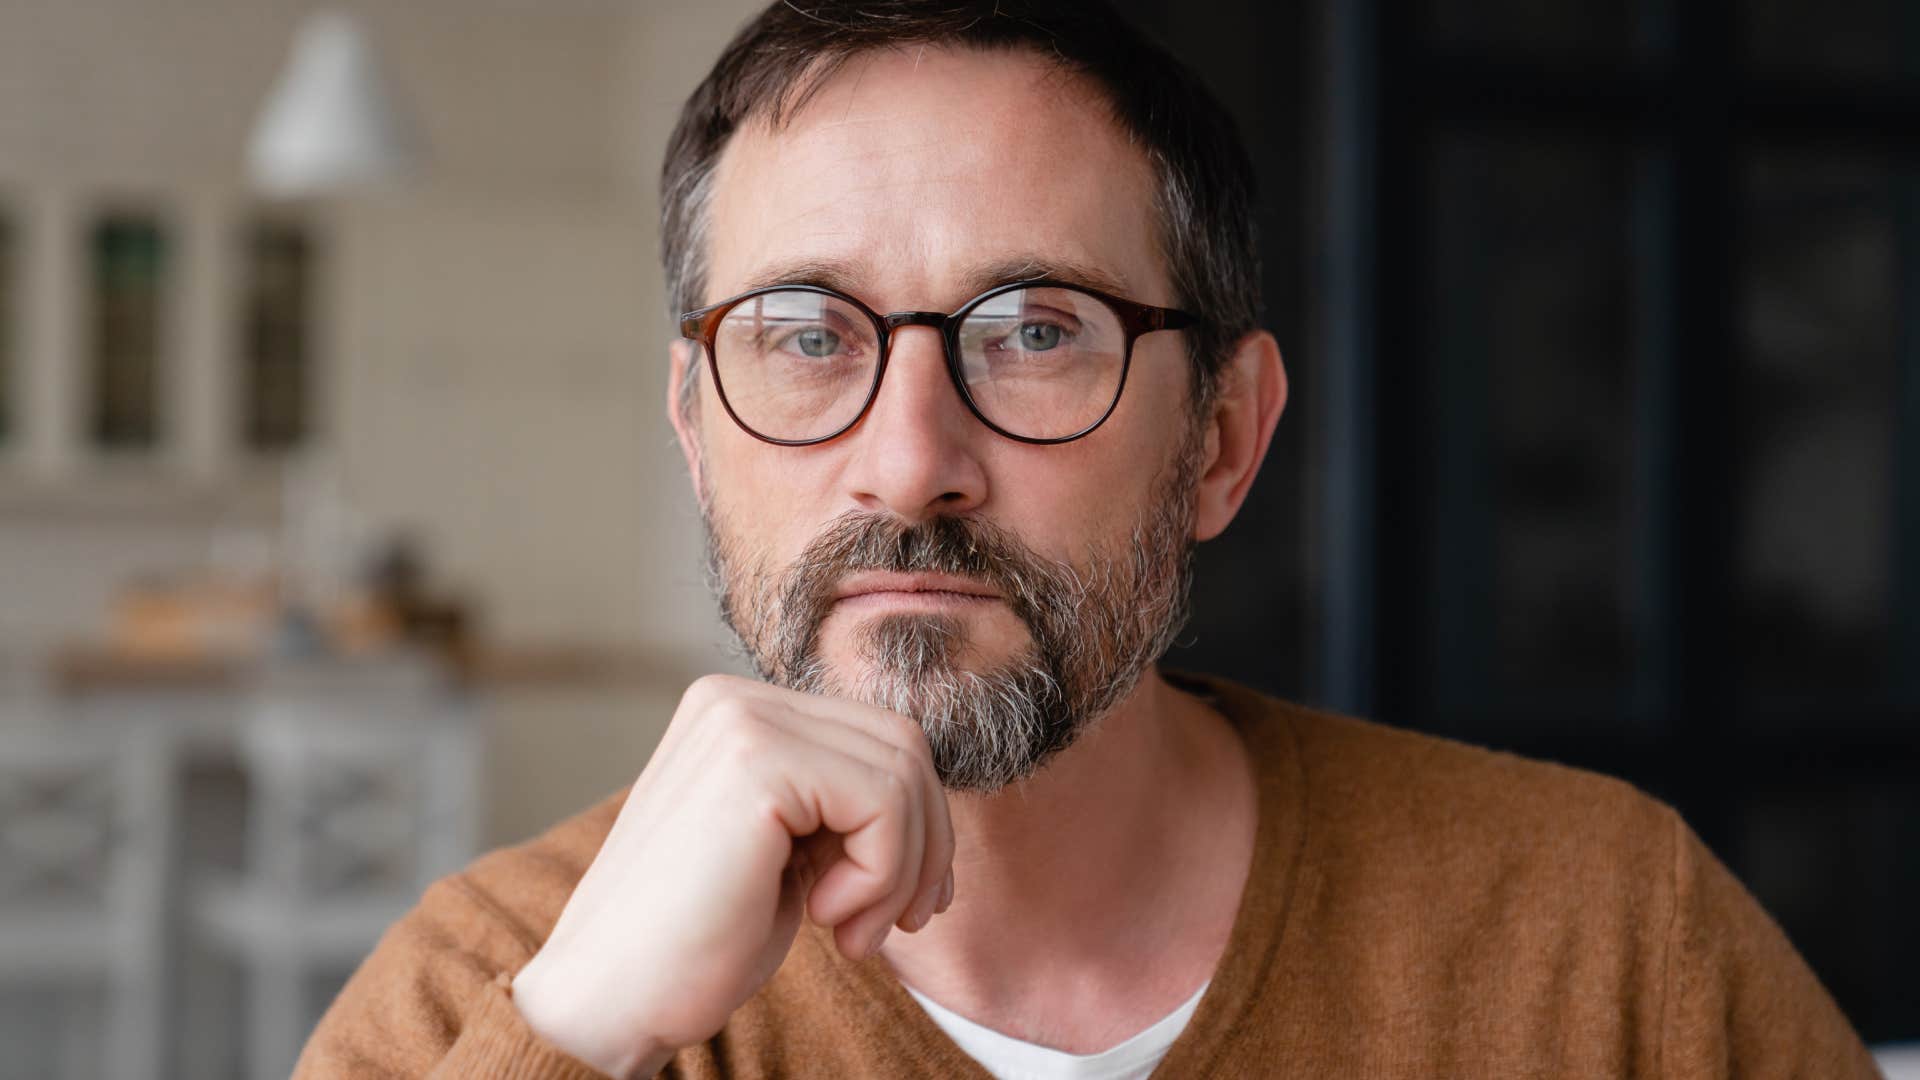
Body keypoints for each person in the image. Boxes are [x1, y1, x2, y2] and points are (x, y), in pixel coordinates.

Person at [296, 2, 1879, 1076]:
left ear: (1224, 441)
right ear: (699, 428)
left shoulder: (1604, 947)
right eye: (803, 333)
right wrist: (580, 1044)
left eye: (1036, 329)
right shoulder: (489, 991)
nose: (909, 466)